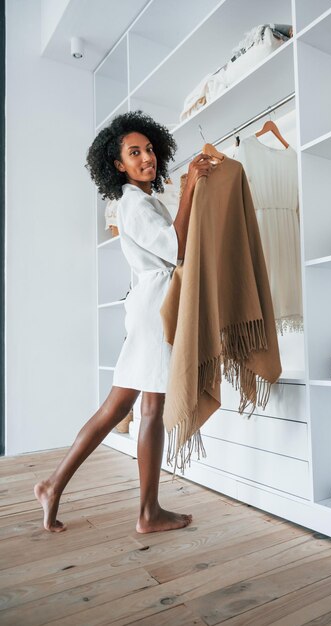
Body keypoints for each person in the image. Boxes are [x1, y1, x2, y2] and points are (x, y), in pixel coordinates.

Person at [34, 111, 214, 533]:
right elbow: (177, 247)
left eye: (149, 149)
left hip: (150, 306)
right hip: (155, 311)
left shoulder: (142, 200)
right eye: (135, 153)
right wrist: (189, 186)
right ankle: (140, 510)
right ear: (118, 165)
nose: (146, 157)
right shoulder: (133, 202)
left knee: (129, 406)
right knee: (141, 408)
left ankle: (58, 486)